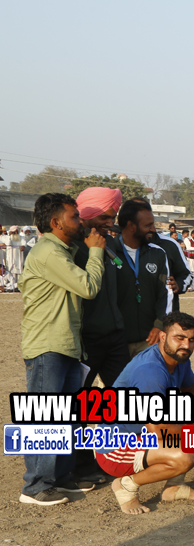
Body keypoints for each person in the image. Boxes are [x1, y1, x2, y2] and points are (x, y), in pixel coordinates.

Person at [18, 193, 106, 505]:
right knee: (45, 417)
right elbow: (88, 287)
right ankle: (35, 486)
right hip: (48, 345)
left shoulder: (63, 250)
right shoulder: (48, 252)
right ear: (56, 222)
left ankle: (62, 477)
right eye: (74, 217)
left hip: (66, 345)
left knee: (68, 417)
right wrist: (96, 252)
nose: (80, 222)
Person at [97, 312, 194, 514]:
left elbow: (192, 385)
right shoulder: (150, 371)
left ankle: (174, 486)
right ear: (162, 337)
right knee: (186, 455)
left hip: (145, 432)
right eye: (179, 338)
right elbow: (159, 431)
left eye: (191, 340)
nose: (186, 345)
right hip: (115, 448)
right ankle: (126, 486)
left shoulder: (178, 357)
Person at [73, 187, 129, 390]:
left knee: (127, 398)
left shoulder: (110, 242)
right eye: (104, 217)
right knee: (78, 401)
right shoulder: (71, 246)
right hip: (86, 339)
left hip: (115, 336)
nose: (110, 223)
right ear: (86, 214)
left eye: (113, 217)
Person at [112, 199, 169, 357]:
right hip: (117, 342)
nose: (153, 229)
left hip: (149, 340)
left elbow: (164, 294)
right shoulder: (108, 252)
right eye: (148, 225)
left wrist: (159, 325)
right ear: (131, 226)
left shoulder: (157, 254)